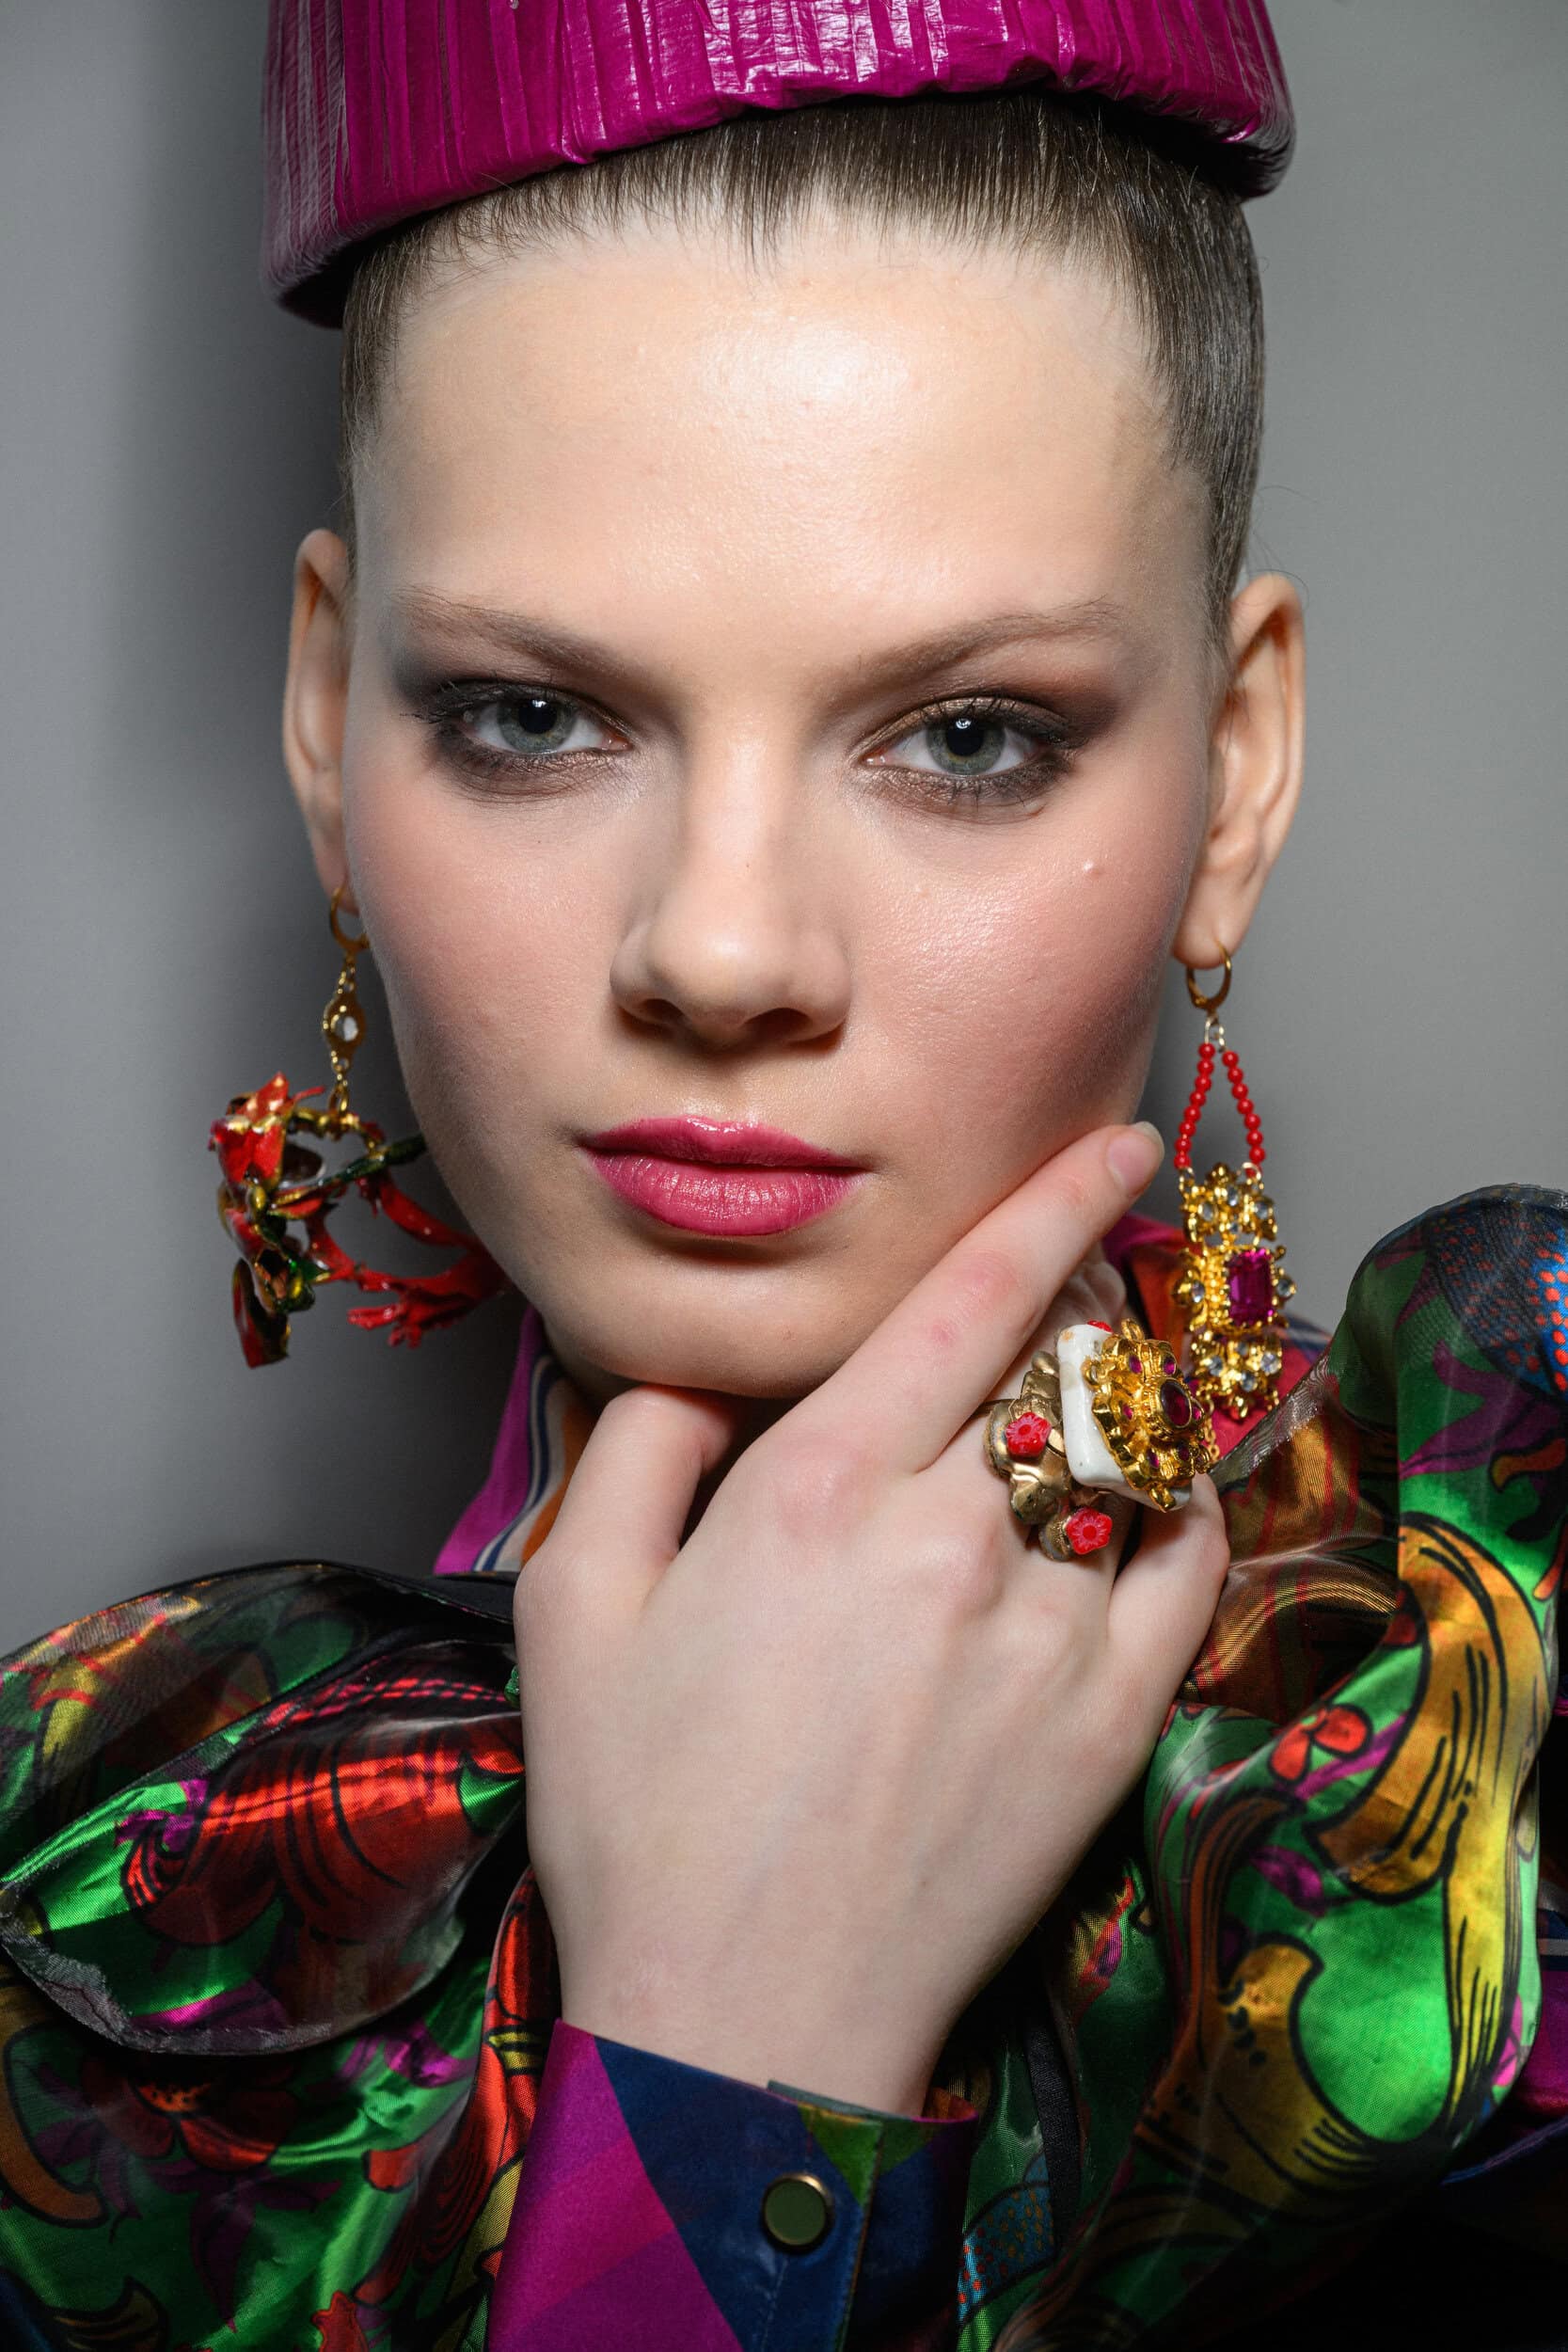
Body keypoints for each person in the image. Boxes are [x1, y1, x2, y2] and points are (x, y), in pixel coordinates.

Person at [0, 3, 1562, 2347]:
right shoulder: (100, 1868)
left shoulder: (1501, 1715)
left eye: (970, 736)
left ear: (1235, 777)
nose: (721, 950)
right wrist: (737, 2041)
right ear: (329, 723)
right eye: (533, 715)